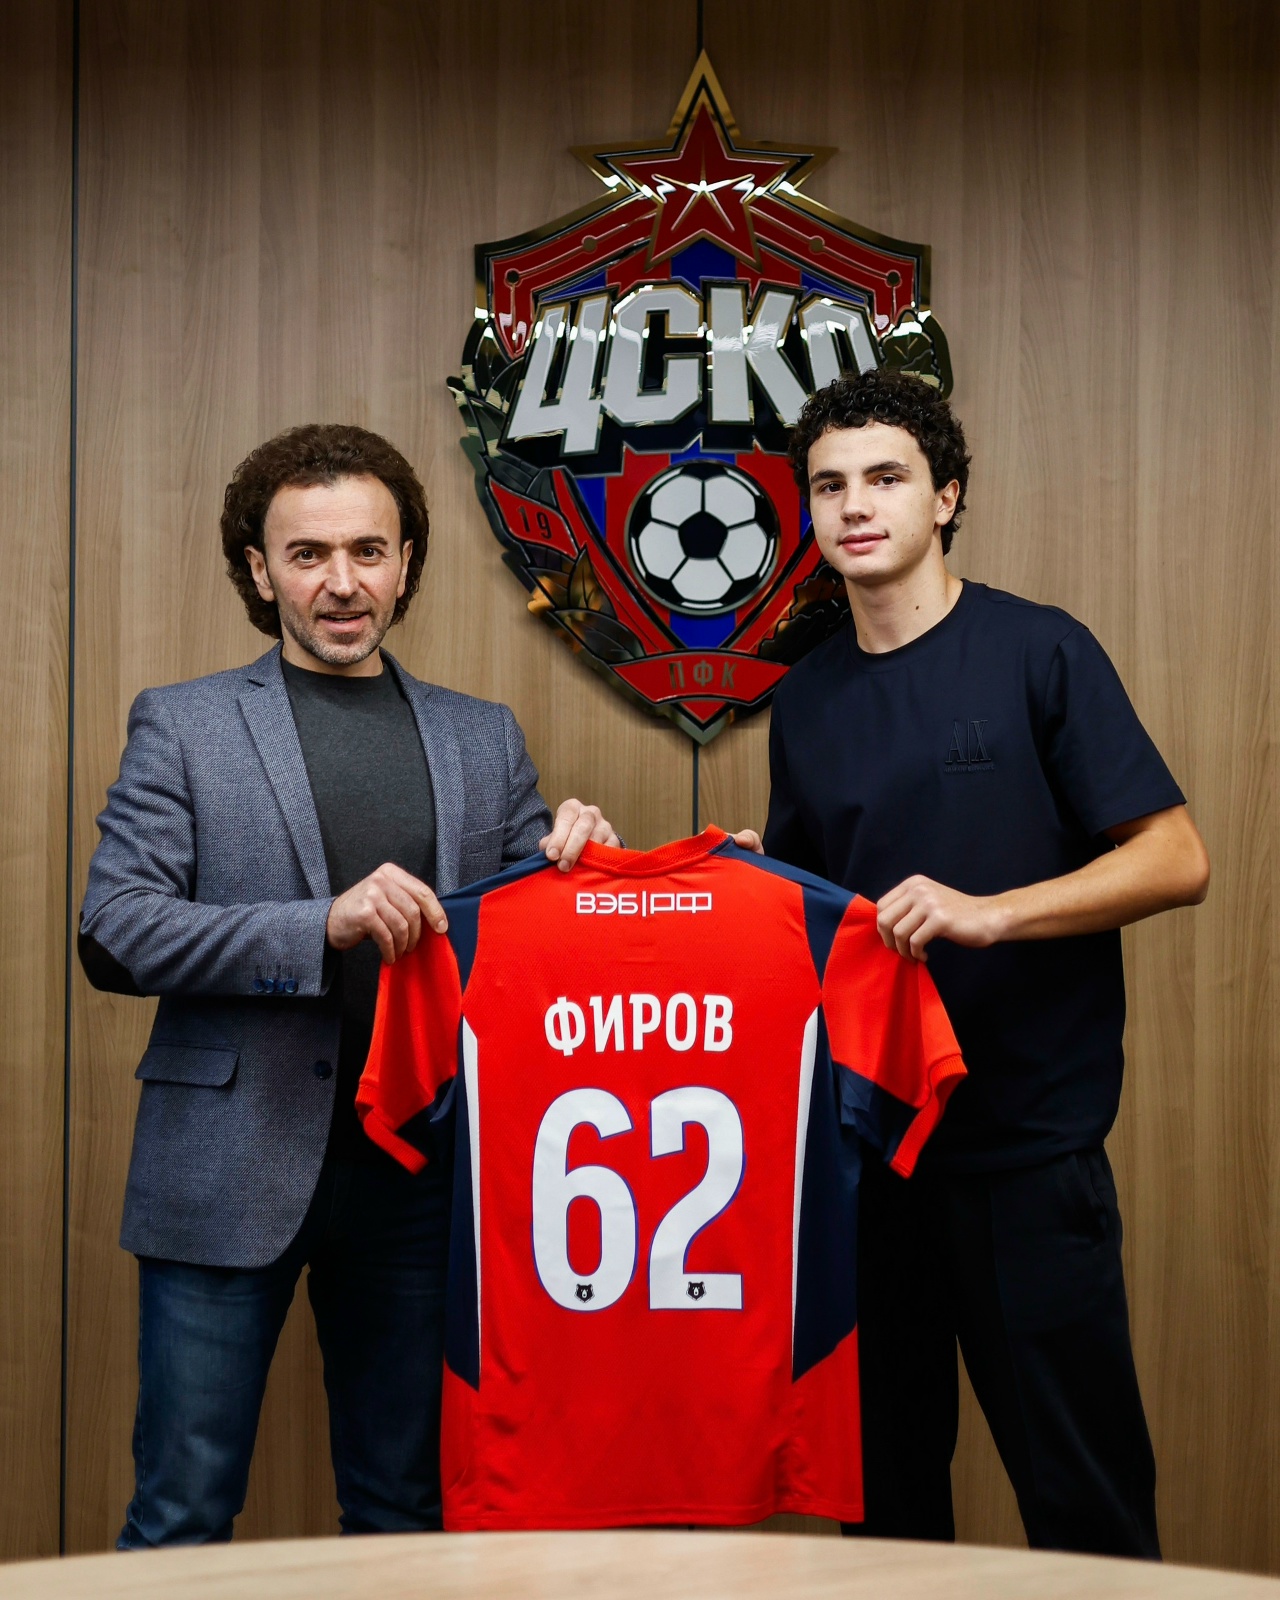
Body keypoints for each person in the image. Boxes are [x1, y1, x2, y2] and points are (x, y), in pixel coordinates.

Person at [79, 423, 620, 1546]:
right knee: (180, 1516)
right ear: (257, 569)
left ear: (405, 563)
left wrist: (585, 870)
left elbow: (528, 944)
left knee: (404, 1513)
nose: (341, 582)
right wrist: (317, 926)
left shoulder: (483, 738)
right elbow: (114, 931)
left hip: (420, 1179)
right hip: (227, 1171)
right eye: (309, 554)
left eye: (368, 551)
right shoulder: (183, 724)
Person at [734, 369, 1208, 1556]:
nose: (854, 505)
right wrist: (728, 876)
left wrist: (990, 914)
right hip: (868, 1153)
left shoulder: (1039, 649)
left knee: (1085, 1506)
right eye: (828, 485)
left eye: (884, 478)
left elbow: (1174, 858)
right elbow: (815, 915)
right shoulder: (807, 698)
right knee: (886, 1515)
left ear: (943, 495)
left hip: (1024, 1153)